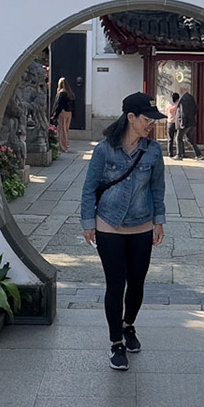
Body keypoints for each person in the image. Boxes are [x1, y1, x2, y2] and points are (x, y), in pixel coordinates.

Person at [79, 92, 166, 371]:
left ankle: (128, 325)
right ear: (130, 117)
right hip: (109, 225)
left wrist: (159, 221)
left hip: (142, 225)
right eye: (147, 119)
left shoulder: (153, 151)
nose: (151, 124)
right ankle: (116, 342)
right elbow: (89, 188)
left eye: (153, 119)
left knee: (137, 284)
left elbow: (157, 188)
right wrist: (88, 223)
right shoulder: (104, 150)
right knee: (115, 285)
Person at [176, 86, 201, 160]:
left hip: (185, 123)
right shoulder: (191, 98)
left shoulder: (183, 99)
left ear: (183, 90)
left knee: (178, 138)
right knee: (190, 138)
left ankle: (179, 155)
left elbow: (183, 112)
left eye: (181, 89)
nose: (180, 91)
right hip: (191, 122)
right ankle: (198, 154)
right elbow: (195, 109)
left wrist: (182, 122)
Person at [52, 78, 76, 151]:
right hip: (69, 113)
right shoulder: (70, 93)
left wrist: (54, 115)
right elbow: (74, 104)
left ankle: (63, 147)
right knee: (66, 130)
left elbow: (59, 105)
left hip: (63, 112)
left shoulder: (62, 93)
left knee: (61, 130)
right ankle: (66, 145)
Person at [164, 92, 182, 159]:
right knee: (179, 138)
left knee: (170, 139)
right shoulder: (178, 106)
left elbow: (166, 113)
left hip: (169, 122)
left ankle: (170, 153)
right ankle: (180, 152)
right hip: (177, 123)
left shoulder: (168, 105)